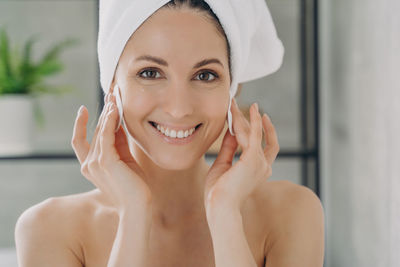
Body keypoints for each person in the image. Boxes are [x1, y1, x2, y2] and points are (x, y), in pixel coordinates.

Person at [14, 1, 325, 266]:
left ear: (232, 88)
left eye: (205, 75)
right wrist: (133, 213)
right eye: (150, 73)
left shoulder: (291, 214)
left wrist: (225, 214)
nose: (178, 109)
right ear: (112, 85)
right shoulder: (49, 229)